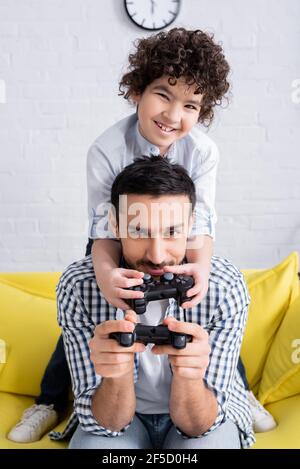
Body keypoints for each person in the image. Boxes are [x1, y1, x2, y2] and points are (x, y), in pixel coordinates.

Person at [7, 27, 275, 444]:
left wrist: (199, 273)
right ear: (136, 90)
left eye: (190, 105)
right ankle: (49, 399)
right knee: (92, 305)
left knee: (206, 308)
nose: (173, 115)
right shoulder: (107, 148)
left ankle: (235, 393)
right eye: (163, 95)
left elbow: (201, 226)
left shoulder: (202, 152)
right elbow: (102, 232)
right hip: (115, 237)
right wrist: (105, 279)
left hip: (180, 238)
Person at [59, 155, 255, 449]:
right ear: (114, 224)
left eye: (173, 231)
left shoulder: (224, 286)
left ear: (191, 225)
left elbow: (199, 426)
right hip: (123, 418)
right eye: (139, 231)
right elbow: (106, 425)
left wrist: (190, 377)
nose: (157, 255)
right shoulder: (79, 286)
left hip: (201, 413)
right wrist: (117, 373)